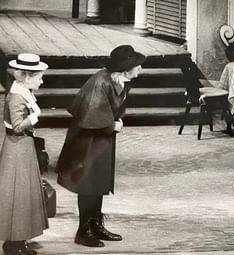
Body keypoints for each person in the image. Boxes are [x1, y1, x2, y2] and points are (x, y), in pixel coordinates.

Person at [57, 45, 146, 247]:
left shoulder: (121, 80)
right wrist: (111, 125)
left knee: (99, 181)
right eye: (137, 66)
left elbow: (115, 106)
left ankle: (95, 224)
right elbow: (90, 115)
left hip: (101, 138)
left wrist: (116, 121)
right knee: (88, 183)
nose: (140, 69)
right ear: (125, 69)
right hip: (87, 139)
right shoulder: (100, 82)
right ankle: (83, 231)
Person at [0, 53, 49, 255]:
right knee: (17, 195)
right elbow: (18, 126)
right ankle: (13, 243)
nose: (42, 80)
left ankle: (18, 240)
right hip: (17, 148)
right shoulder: (17, 96)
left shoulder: (22, 91)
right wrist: (35, 118)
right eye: (39, 77)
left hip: (22, 147)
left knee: (22, 194)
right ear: (27, 76)